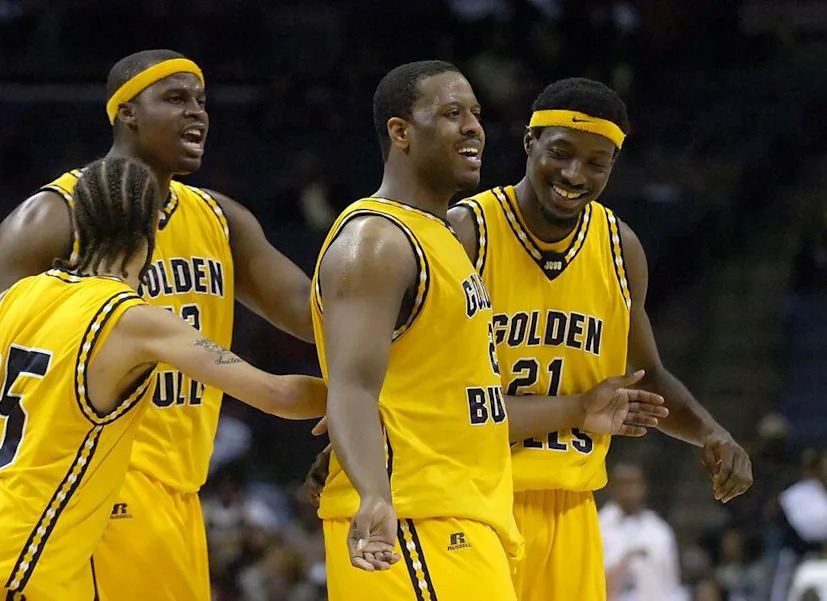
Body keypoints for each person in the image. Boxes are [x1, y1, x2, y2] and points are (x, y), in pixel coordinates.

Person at [0, 50, 315, 601]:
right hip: (95, 485)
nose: (197, 114)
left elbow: (317, 318)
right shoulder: (55, 215)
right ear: (126, 113)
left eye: (201, 101)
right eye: (176, 99)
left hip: (179, 490)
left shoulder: (220, 219)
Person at [312, 61, 666, 601]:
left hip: (465, 515)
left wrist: (575, 410)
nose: (474, 126)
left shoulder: (442, 245)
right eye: (452, 113)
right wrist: (371, 490)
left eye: (476, 113)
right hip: (412, 517)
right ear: (400, 131)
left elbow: (464, 403)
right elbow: (353, 386)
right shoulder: (379, 241)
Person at [447, 77, 754, 600]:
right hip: (472, 501)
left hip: (574, 509)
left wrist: (711, 432)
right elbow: (416, 379)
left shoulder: (619, 247)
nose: (574, 174)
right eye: (561, 153)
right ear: (529, 143)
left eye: (597, 162)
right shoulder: (466, 232)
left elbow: (647, 375)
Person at [598, 463, 682, 601]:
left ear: (643, 487)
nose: (629, 490)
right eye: (623, 484)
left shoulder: (659, 530)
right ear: (611, 488)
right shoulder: (598, 526)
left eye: (634, 484)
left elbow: (670, 583)